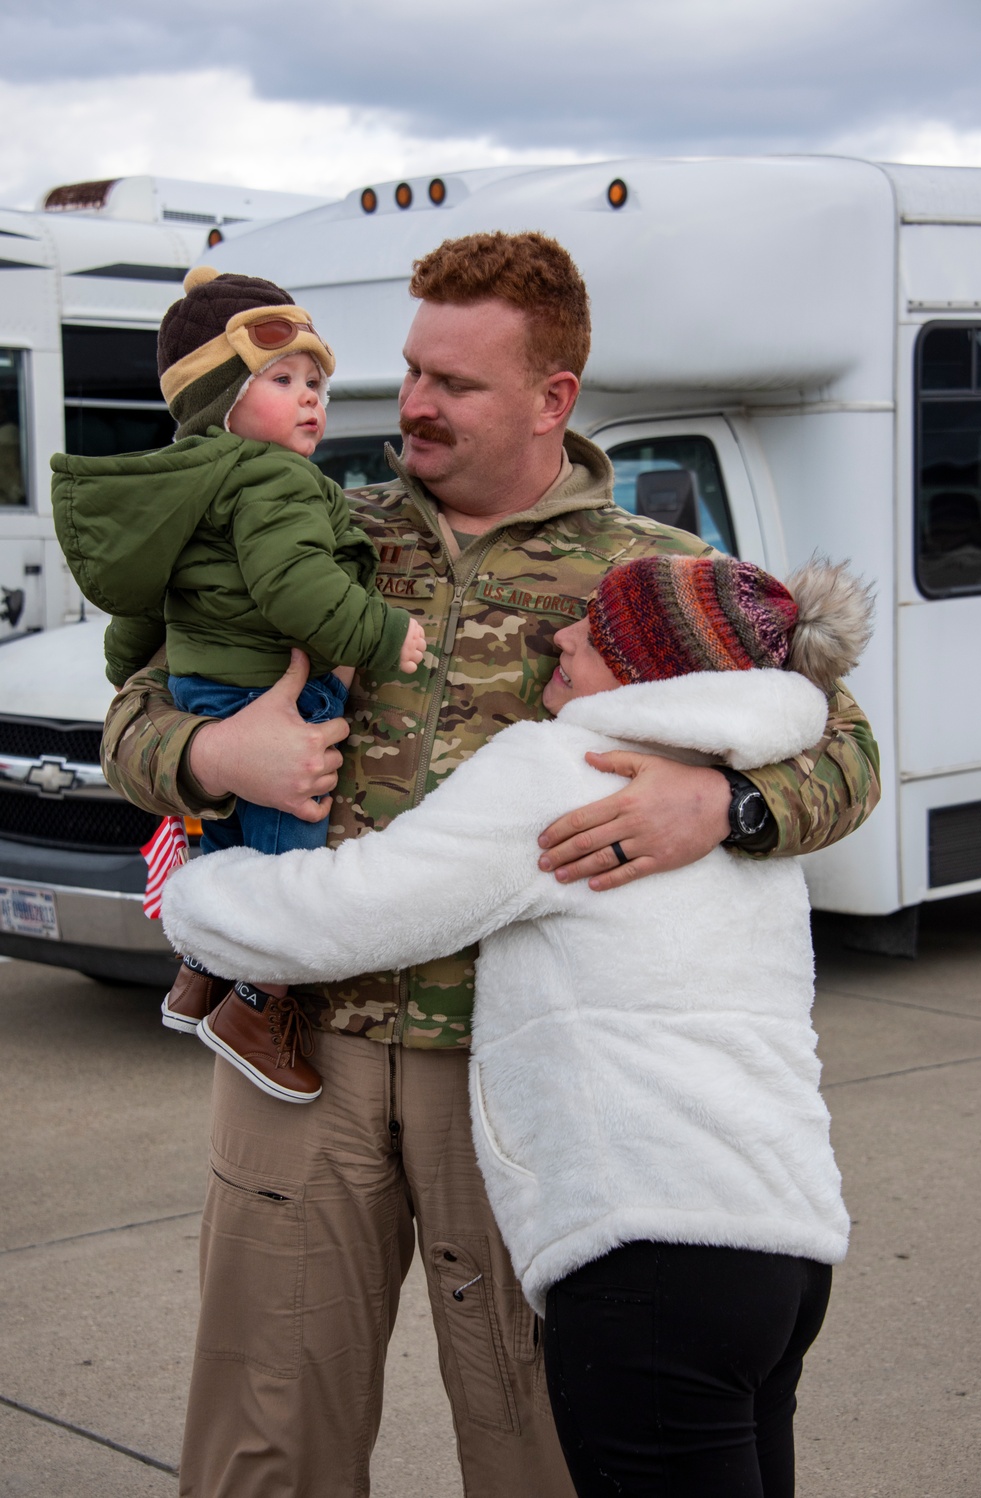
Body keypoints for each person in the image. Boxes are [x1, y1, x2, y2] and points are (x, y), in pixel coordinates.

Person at [101, 230, 881, 1498]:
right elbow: (130, 722)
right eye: (410, 369)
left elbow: (844, 752)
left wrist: (722, 801)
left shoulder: (651, 574)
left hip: (514, 1074)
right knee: (264, 1431)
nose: (411, 403)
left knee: (538, 1442)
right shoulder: (302, 528)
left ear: (550, 399)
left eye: (453, 383)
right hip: (301, 1048)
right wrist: (210, 757)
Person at [162, 550, 873, 1497]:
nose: (562, 636)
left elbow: (360, 908)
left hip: (650, 1248)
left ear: (656, 671)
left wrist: (197, 895)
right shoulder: (740, 782)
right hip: (779, 1256)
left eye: (597, 632)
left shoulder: (569, 769)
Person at [52, 266, 426, 1103]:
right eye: (284, 379)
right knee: (287, 871)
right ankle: (256, 1007)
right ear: (220, 399)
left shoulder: (189, 486)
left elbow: (146, 605)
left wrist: (142, 670)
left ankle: (197, 978)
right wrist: (384, 632)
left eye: (317, 382)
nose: (311, 399)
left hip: (205, 689)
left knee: (224, 850)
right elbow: (296, 589)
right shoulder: (278, 479)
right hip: (276, 695)